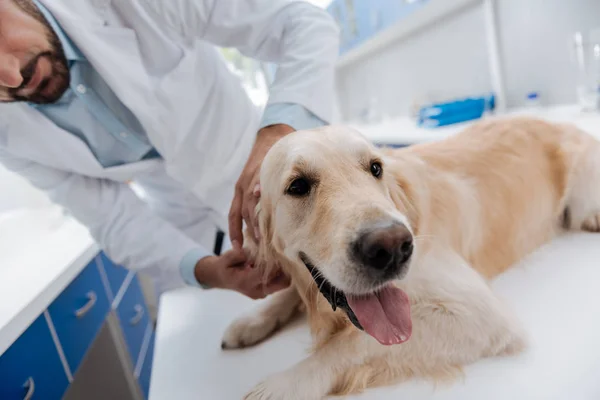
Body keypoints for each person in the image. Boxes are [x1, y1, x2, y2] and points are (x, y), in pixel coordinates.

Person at [0, 0, 339, 298]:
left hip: (290, 199)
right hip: (196, 239)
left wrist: (278, 133)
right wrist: (205, 269)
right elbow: (110, 217)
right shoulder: (6, 133)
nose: (12, 77)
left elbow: (302, 24)